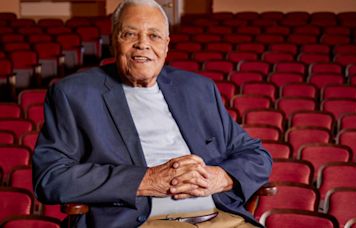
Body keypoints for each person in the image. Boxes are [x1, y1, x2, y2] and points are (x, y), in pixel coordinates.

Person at [32, 0, 272, 227]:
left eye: (154, 35)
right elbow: (52, 177)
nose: (143, 44)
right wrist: (146, 180)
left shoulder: (199, 89)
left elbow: (257, 155)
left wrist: (220, 176)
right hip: (140, 221)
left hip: (220, 216)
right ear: (114, 41)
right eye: (130, 34)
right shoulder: (74, 94)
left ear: (166, 45)